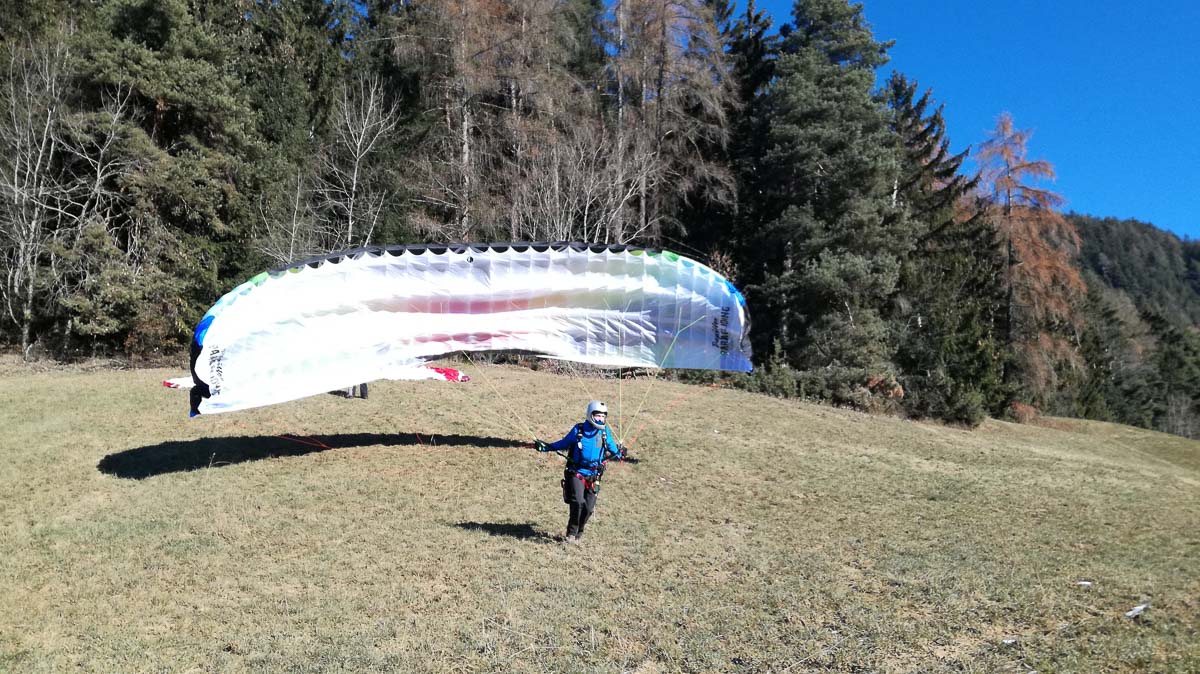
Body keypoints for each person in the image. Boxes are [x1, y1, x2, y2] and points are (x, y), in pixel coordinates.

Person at [535, 400, 624, 544]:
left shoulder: (604, 432)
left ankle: (579, 533)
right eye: (598, 416)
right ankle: (571, 534)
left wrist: (621, 454)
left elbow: (613, 448)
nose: (601, 419)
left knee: (588, 508)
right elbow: (563, 443)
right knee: (578, 502)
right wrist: (546, 447)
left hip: (594, 475)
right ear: (590, 415)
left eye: (603, 416)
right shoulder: (579, 430)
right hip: (577, 472)